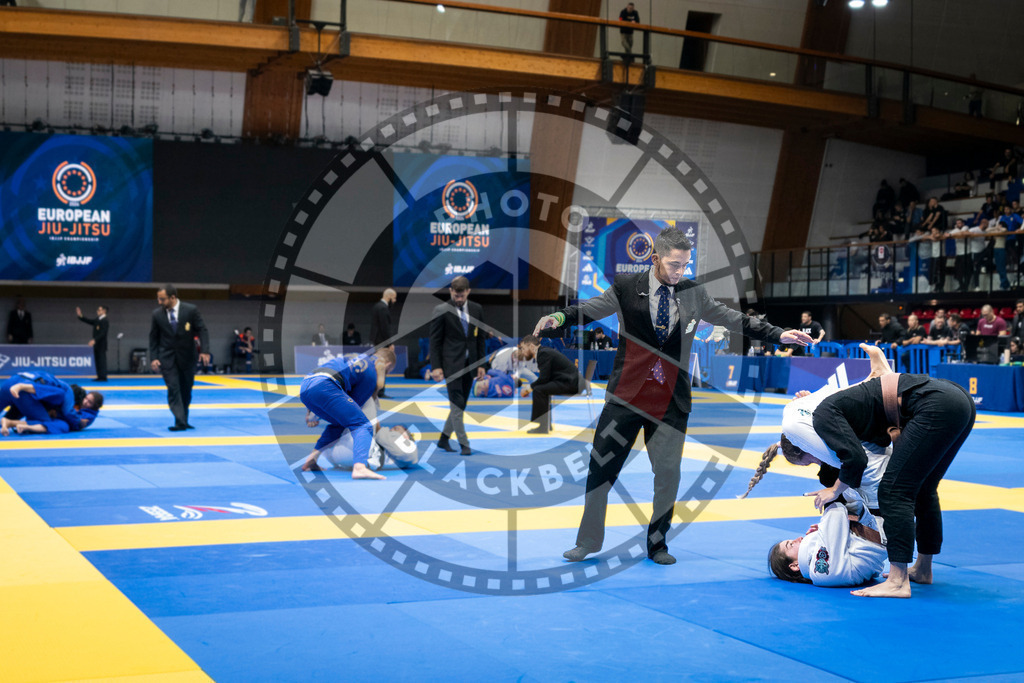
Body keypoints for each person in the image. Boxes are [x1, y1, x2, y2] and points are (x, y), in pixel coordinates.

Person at [534, 227, 811, 565]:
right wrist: (559, 317)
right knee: (600, 469)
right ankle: (588, 541)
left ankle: (657, 544)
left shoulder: (694, 293)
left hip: (670, 400)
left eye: (685, 265)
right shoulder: (626, 287)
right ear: (655, 259)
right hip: (627, 396)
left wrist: (778, 334)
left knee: (668, 475)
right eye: (673, 264)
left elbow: (733, 319)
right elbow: (590, 309)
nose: (680, 271)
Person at [299, 348, 396, 480]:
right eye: (388, 372)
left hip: (306, 386)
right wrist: (377, 387)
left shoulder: (357, 356)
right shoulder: (372, 374)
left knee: (339, 423)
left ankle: (311, 460)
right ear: (387, 365)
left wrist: (311, 412)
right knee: (362, 424)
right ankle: (360, 467)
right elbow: (356, 403)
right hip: (326, 386)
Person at [769, 500, 887, 588]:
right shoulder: (820, 573)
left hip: (881, 530)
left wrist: (822, 532)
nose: (798, 538)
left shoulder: (819, 574)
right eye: (791, 544)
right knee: (833, 490)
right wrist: (824, 530)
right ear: (795, 566)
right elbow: (836, 511)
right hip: (882, 530)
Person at [430, 276, 486, 456]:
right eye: (456, 296)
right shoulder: (441, 310)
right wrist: (436, 366)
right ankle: (464, 444)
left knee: (460, 405)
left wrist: (481, 364)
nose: (459, 299)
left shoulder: (477, 309)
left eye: (462, 296)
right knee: (456, 403)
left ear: (468, 292)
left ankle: (443, 439)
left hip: (470, 364)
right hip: (450, 364)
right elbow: (435, 341)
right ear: (451, 291)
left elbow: (480, 339)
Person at [149, 284, 210, 431]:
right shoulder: (157, 314)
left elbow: (202, 330)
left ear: (172, 297)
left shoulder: (190, 310)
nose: (159, 302)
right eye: (158, 299)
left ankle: (183, 419)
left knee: (186, 390)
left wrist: (205, 351)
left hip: (187, 357)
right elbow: (153, 337)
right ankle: (180, 422)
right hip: (167, 357)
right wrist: (154, 357)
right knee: (173, 388)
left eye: (162, 299)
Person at [518, 334, 586, 434]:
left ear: (531, 346)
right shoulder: (544, 352)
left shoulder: (543, 354)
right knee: (542, 389)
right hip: (572, 382)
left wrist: (528, 389)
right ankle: (545, 425)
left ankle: (543, 427)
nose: (522, 352)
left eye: (523, 348)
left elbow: (544, 378)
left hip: (573, 384)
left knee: (539, 390)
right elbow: (546, 378)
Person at [0, 370, 102, 435]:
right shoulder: (66, 393)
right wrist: (78, 423)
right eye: (86, 399)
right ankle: (10, 422)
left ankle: (7, 421)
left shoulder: (58, 383)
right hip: (24, 389)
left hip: (11, 381)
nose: (85, 402)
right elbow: (68, 412)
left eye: (89, 402)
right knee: (47, 421)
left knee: (22, 408)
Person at [371, 288, 397, 398]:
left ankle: (378, 390)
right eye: (394, 298)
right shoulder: (383, 308)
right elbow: (385, 328)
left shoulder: (377, 306)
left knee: (379, 364)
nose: (395, 301)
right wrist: (390, 343)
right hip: (382, 341)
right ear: (389, 297)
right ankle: (380, 391)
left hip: (378, 341)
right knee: (383, 364)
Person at [76, 305, 109, 382]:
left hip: (101, 344)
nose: (97, 311)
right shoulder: (98, 320)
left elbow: (103, 333)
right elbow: (89, 321)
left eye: (99, 310)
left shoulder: (105, 321)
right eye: (97, 310)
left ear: (104, 311)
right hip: (97, 344)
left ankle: (103, 376)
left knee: (101, 361)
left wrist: (95, 340)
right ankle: (99, 376)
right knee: (97, 360)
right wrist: (81, 316)